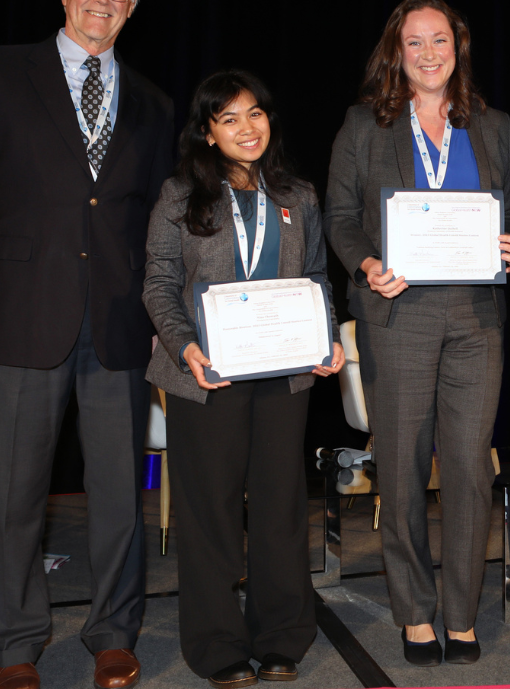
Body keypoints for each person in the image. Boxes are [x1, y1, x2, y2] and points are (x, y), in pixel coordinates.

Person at [0, 0, 175, 689]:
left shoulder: (155, 103)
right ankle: (12, 645)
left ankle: (113, 633)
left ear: (132, 7)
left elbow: (158, 223)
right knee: (13, 497)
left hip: (121, 325)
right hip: (18, 316)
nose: (104, 0)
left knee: (118, 501)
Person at [323, 0, 510, 667]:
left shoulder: (492, 125)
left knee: (469, 469)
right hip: (397, 315)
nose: (429, 53)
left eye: (440, 40)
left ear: (458, 47)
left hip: (476, 319)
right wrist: (367, 263)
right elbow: (341, 216)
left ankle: (462, 613)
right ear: (397, 52)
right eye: (416, 42)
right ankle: (415, 612)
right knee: (404, 469)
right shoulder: (364, 126)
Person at [143, 70, 345, 687]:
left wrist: (327, 335)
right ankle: (216, 645)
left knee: (282, 508)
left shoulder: (299, 195)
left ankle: (283, 635)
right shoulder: (180, 196)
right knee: (211, 513)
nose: (246, 128)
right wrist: (185, 348)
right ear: (207, 133)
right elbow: (157, 286)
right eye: (228, 119)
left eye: (254, 114)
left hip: (283, 375)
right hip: (209, 378)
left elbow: (317, 279)